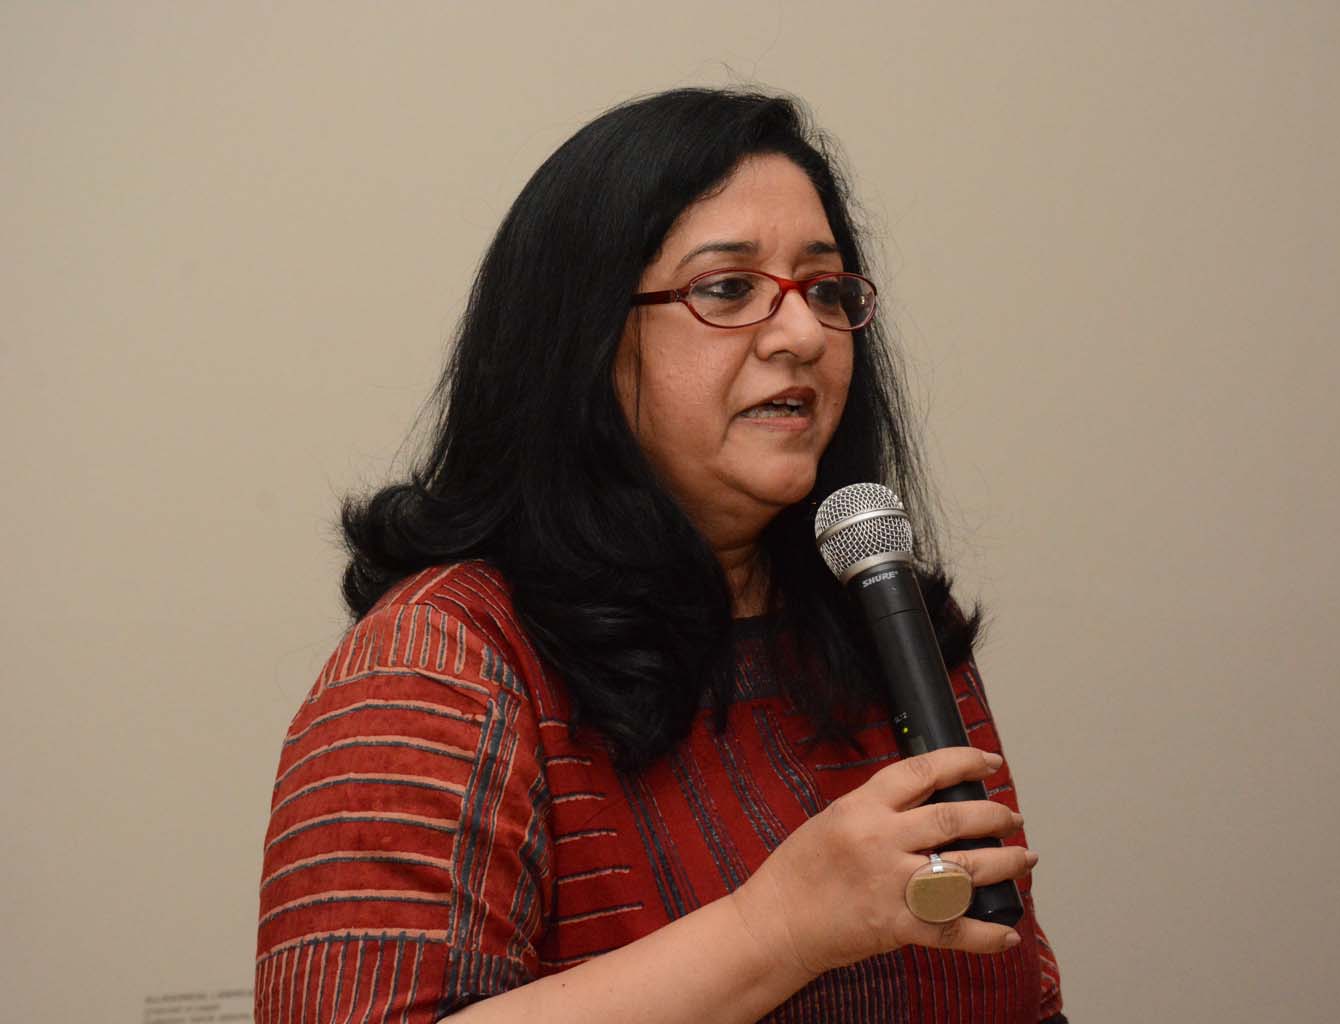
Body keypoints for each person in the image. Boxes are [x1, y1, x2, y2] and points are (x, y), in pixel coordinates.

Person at [255, 87, 1066, 1023]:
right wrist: (779, 928)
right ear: (585, 339)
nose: (804, 334)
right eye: (728, 290)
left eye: (824, 289)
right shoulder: (437, 663)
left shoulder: (887, 622)